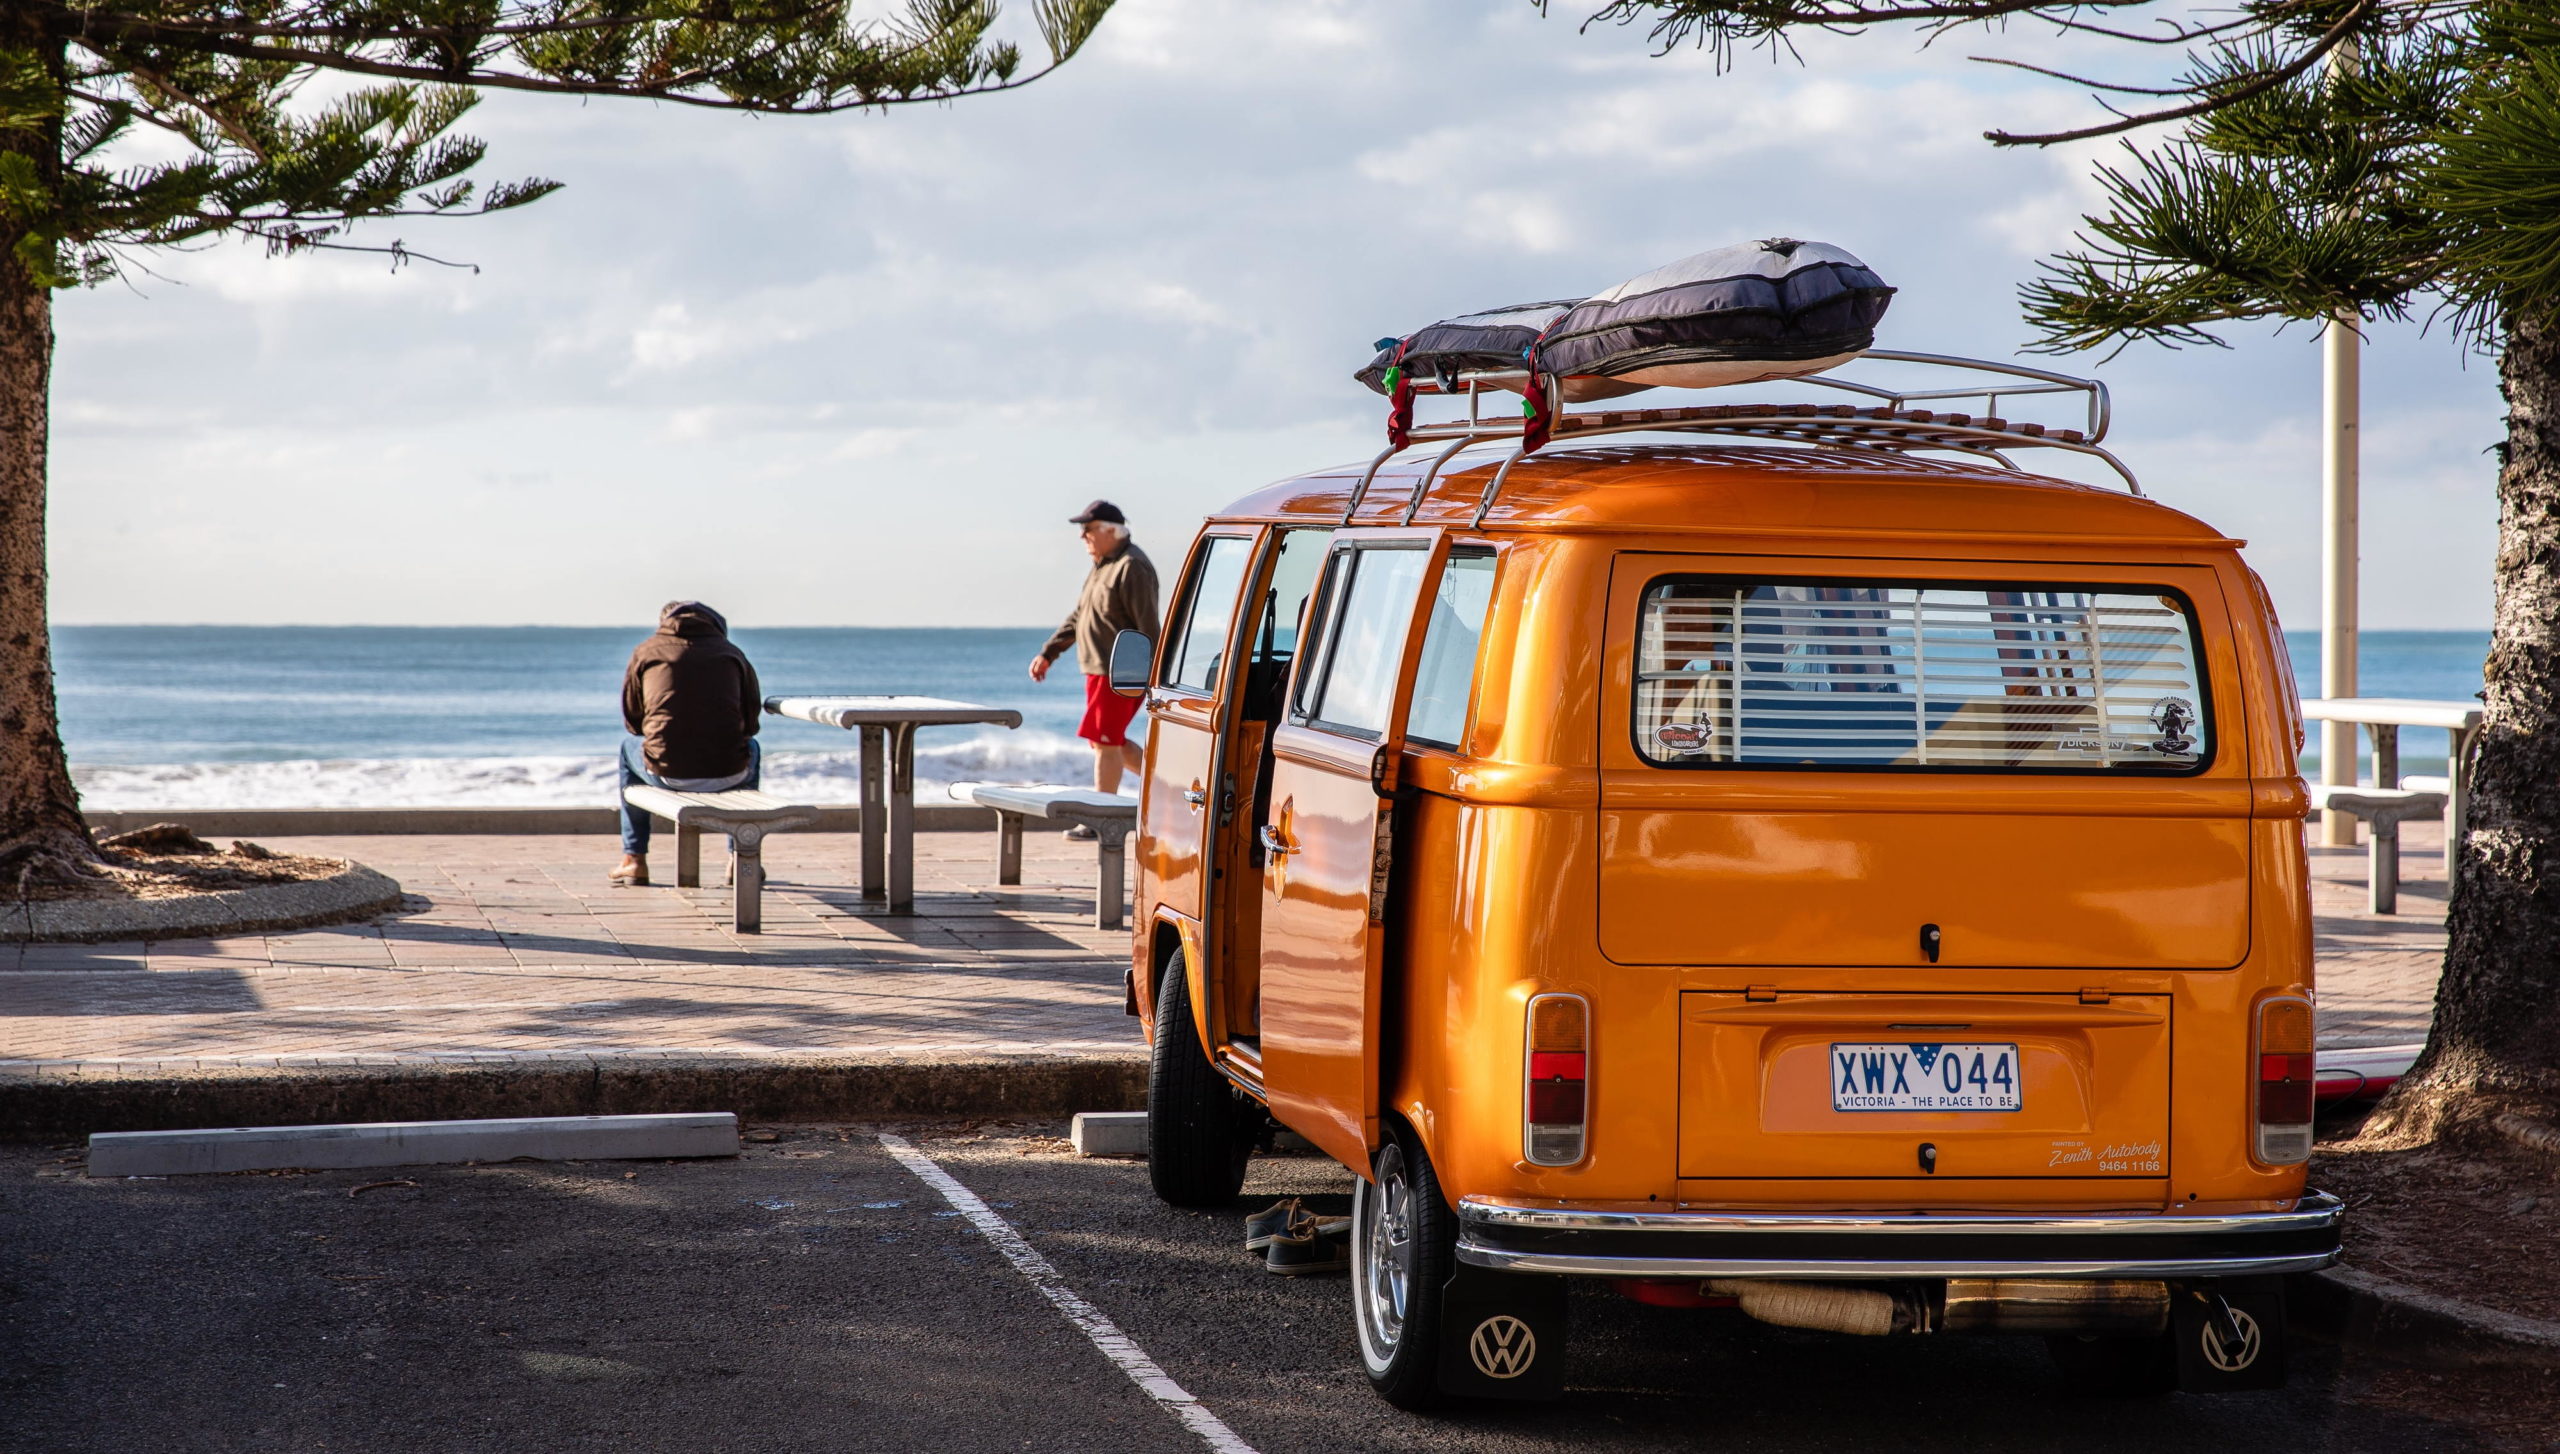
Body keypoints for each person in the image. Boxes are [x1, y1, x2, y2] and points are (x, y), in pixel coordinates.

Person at [1029, 500, 1159, 832]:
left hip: (1121, 672)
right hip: (1098, 669)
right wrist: (1049, 653)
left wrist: (1153, 674)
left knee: (1105, 741)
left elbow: (1149, 627)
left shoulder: (1133, 566)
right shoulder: (1103, 565)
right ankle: (1166, 787)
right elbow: (1079, 616)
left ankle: (1101, 819)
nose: (1082, 537)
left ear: (1110, 531)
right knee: (1105, 741)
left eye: (1087, 530)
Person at [613, 601, 762, 884]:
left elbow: (632, 722)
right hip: (729, 773)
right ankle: (738, 855)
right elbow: (751, 722)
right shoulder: (732, 653)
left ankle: (634, 859)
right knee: (752, 748)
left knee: (626, 749)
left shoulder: (647, 651)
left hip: (666, 772)